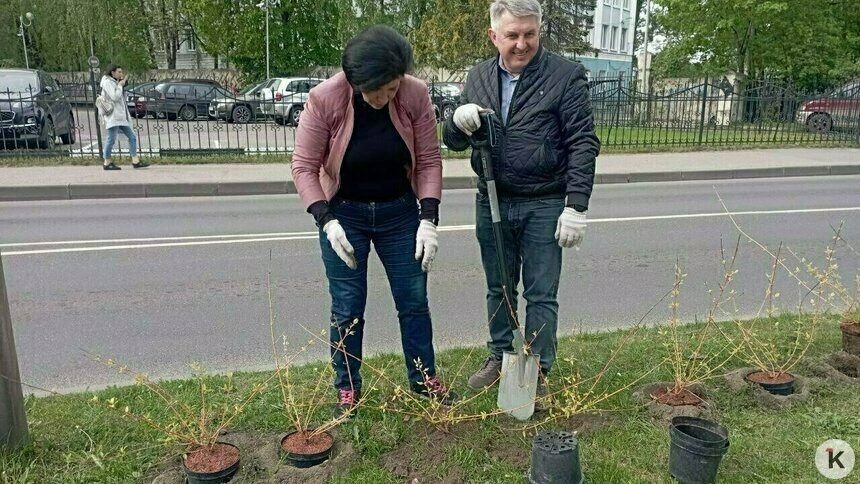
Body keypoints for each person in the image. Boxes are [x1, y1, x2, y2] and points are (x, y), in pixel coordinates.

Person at [292, 25, 458, 417]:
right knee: (347, 306)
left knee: (414, 300)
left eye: (393, 87)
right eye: (377, 90)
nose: (386, 97)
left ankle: (423, 378)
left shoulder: (414, 94)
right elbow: (304, 166)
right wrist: (326, 220)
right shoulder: (325, 99)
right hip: (344, 214)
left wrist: (428, 218)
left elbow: (430, 160)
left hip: (399, 213)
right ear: (355, 81)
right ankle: (348, 387)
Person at [443, 0, 600, 406]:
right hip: (491, 197)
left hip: (544, 201)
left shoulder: (565, 76)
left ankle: (539, 366)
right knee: (498, 287)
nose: (521, 44)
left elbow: (582, 142)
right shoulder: (477, 77)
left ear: (539, 32)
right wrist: (455, 121)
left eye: (529, 34)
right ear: (494, 36)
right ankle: (499, 355)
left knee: (541, 292)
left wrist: (576, 205)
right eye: (512, 35)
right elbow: (455, 141)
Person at [99, 64, 148, 170]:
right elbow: (114, 97)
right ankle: (107, 162)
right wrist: (120, 85)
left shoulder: (113, 82)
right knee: (110, 140)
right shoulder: (107, 82)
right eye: (119, 72)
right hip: (113, 116)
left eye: (122, 72)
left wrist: (121, 84)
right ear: (112, 72)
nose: (121, 74)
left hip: (120, 116)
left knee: (132, 137)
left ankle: (135, 160)